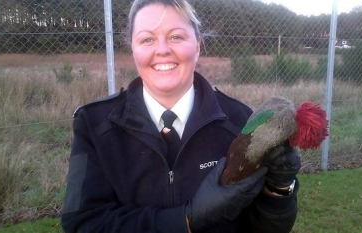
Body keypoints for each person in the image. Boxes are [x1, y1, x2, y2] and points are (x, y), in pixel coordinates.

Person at [61, 0, 301, 232]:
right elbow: (83, 223)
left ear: (197, 46)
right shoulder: (94, 124)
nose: (163, 50)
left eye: (176, 36)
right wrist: (185, 220)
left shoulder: (241, 122)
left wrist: (279, 189)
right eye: (147, 39)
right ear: (133, 48)